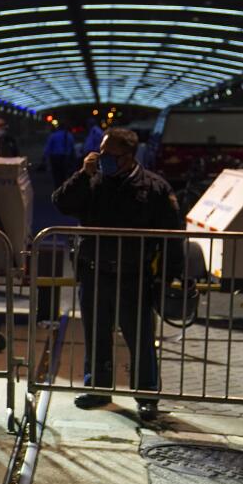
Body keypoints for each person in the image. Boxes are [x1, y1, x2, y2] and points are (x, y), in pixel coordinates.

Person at [52, 127, 184, 422]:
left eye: (109, 155)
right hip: (94, 271)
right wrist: (82, 175)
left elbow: (173, 236)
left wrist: (168, 276)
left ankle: (147, 395)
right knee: (96, 334)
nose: (102, 159)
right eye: (101, 152)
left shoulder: (153, 187)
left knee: (140, 338)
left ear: (127, 156)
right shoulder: (93, 179)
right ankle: (98, 388)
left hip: (133, 276)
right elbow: (61, 202)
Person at [42, 124, 78, 190]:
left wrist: (44, 156)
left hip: (55, 157)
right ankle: (64, 188)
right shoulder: (69, 136)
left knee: (56, 175)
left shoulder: (53, 135)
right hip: (65, 157)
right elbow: (72, 148)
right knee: (64, 174)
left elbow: (48, 147)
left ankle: (58, 188)